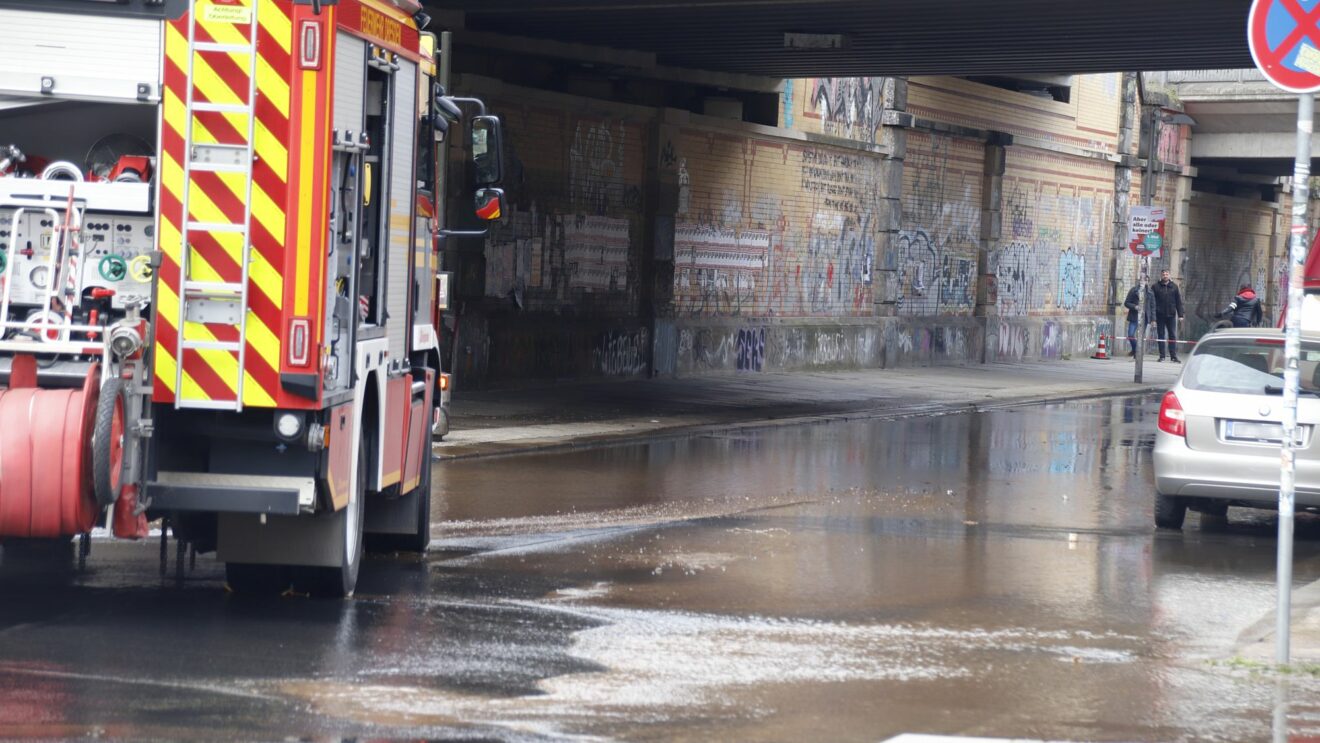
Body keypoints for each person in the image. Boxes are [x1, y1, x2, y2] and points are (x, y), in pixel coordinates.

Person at [1150, 269, 1184, 363]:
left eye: (1167, 274)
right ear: (1161, 275)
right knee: (1161, 335)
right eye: (1163, 274)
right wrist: (1153, 318)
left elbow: (1178, 302)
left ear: (1169, 275)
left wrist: (1180, 315)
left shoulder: (1174, 287)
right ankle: (1162, 356)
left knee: (1172, 335)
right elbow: (1152, 303)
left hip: (1171, 315)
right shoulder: (1155, 287)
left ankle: (1173, 356)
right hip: (1159, 315)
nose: (1165, 275)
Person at [1122, 283, 1153, 358]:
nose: (1145, 282)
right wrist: (1135, 306)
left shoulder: (1150, 292)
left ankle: (1137, 353)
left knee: (1140, 337)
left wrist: (1153, 319)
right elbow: (1126, 303)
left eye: (1147, 280)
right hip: (1134, 316)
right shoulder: (1133, 290)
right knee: (1130, 334)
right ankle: (1136, 350)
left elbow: (1153, 306)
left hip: (1144, 317)